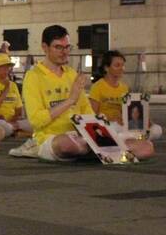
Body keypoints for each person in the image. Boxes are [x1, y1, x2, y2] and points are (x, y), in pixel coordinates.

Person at [22, 25, 153, 163]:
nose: (64, 52)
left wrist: (97, 120)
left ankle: (91, 150)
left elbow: (86, 109)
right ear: (45, 47)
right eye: (58, 47)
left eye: (67, 47)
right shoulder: (33, 76)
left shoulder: (71, 74)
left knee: (146, 147)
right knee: (67, 144)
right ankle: (95, 151)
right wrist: (70, 100)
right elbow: (36, 121)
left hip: (83, 136)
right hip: (52, 138)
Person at [89, 50, 163, 140]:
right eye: (117, 65)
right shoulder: (97, 87)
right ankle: (134, 138)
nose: (122, 68)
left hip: (124, 125)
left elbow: (128, 111)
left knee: (157, 129)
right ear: (106, 68)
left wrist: (144, 119)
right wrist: (111, 119)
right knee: (114, 128)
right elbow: (92, 114)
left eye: (123, 65)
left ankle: (131, 137)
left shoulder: (124, 88)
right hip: (108, 124)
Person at [0, 52, 31, 139]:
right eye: (4, 67)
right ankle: (18, 132)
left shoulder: (13, 85)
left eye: (8, 67)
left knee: (34, 123)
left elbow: (19, 109)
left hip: (12, 122)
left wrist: (12, 119)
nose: (7, 70)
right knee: (2, 125)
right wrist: (6, 89)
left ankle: (16, 131)